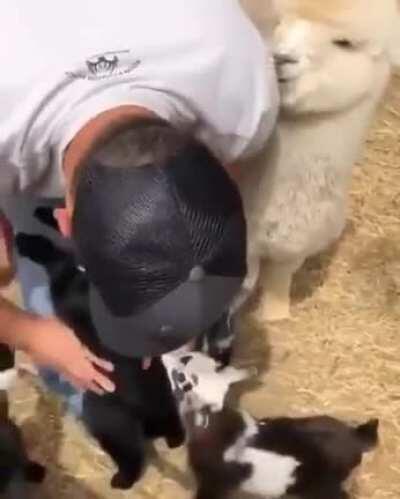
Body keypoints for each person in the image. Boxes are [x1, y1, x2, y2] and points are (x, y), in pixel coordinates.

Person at [0, 0, 278, 405]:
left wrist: (167, 310)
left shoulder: (241, 91)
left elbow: (229, 168)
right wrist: (28, 333)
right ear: (62, 221)